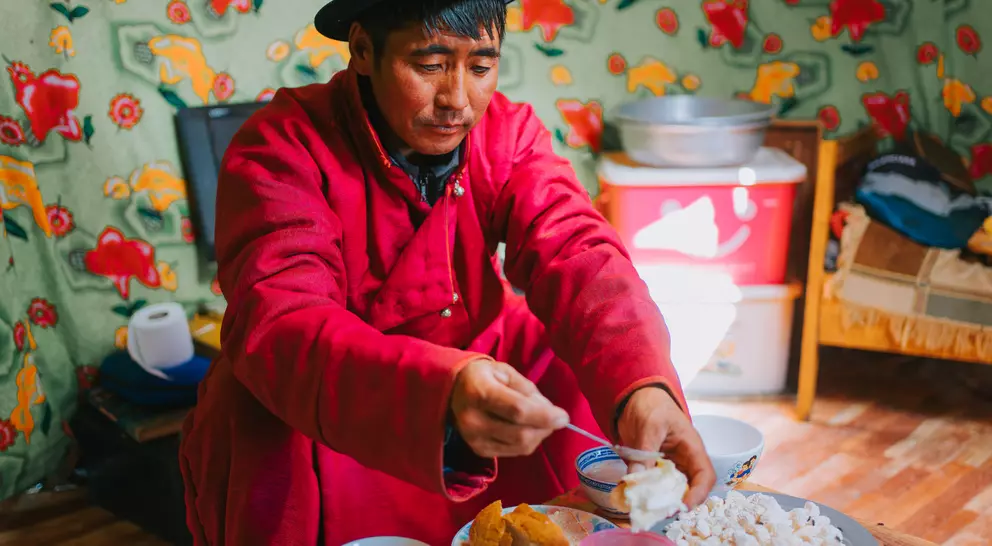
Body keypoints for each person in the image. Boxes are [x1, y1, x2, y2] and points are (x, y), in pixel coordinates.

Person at [179, 0, 716, 543]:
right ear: (364, 50)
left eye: (480, 67)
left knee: (572, 353)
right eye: (430, 65)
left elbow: (578, 252)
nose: (457, 101)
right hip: (342, 393)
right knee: (263, 415)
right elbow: (285, 321)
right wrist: (440, 392)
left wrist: (642, 386)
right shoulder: (281, 146)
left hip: (479, 366)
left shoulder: (508, 135)